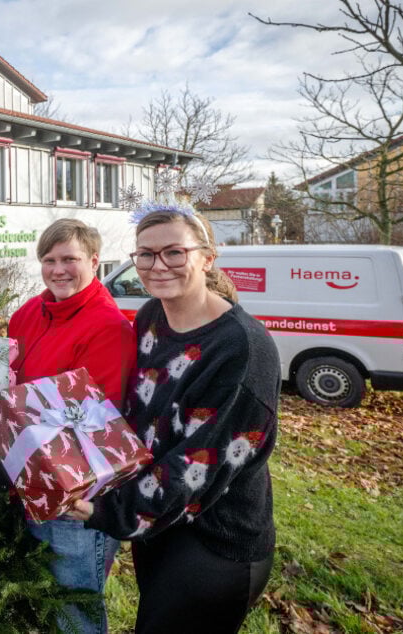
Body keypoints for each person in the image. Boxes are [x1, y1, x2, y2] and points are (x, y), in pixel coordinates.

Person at [69, 202, 279, 633]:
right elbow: (138, 413)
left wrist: (105, 509)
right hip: (161, 526)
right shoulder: (150, 318)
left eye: (174, 252)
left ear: (206, 257)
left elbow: (199, 463)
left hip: (213, 542)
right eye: (145, 254)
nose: (157, 265)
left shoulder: (241, 348)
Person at [8, 218, 137, 634]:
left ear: (95, 261)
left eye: (70, 259)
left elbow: (101, 422)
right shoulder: (29, 312)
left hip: (75, 492)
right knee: (46, 598)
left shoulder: (107, 326)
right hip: (29, 475)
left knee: (73, 605)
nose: (58, 269)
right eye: (49, 260)